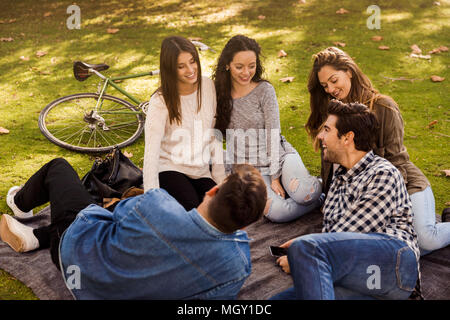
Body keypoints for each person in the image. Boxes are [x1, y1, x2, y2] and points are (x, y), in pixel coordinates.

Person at [0, 159, 267, 299]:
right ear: (245, 225)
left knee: (59, 168)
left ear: (212, 189)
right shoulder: (238, 265)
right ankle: (36, 236)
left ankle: (20, 203)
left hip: (74, 262)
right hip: (95, 279)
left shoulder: (157, 204)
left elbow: (113, 216)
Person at [305, 46, 450, 254]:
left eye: (334, 80)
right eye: (324, 85)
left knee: (424, 241)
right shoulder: (333, 113)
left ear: (349, 72)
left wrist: (384, 205)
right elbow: (330, 161)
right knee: (372, 244)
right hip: (360, 191)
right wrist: (331, 199)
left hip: (403, 184)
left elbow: (397, 163)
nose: (330, 89)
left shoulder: (384, 107)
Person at [272, 100, 420, 300]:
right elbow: (333, 237)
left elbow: (350, 233)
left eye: (326, 129)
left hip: (394, 267)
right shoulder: (339, 179)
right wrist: (307, 251)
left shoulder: (382, 173)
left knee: (306, 248)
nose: (320, 136)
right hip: (360, 278)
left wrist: (304, 255)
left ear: (347, 137)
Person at [213, 35, 323, 223]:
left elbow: (273, 135)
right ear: (227, 65)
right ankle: (315, 200)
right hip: (250, 172)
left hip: (279, 157)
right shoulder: (217, 95)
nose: (246, 72)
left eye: (252, 65)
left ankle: (316, 190)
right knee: (277, 213)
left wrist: (275, 177)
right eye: (239, 67)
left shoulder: (264, 91)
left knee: (305, 193)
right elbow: (213, 137)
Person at [143, 35, 226, 211]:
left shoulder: (208, 86)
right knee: (193, 210)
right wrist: (152, 196)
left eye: (192, 61)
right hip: (169, 168)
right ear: (170, 69)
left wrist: (220, 180)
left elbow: (213, 135)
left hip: (200, 170)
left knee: (219, 209)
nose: (190, 70)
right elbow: (151, 151)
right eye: (181, 66)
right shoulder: (160, 100)